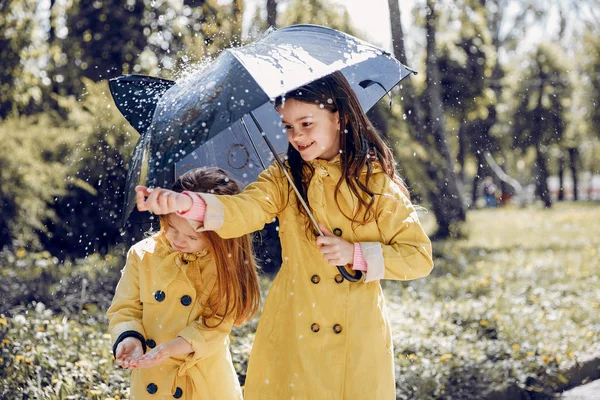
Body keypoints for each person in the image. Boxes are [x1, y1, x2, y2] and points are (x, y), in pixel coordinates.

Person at [135, 71, 434, 399]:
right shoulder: (284, 178)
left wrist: (356, 254)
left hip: (356, 334)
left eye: (307, 124)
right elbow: (245, 209)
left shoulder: (375, 183)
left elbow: (418, 257)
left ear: (339, 117)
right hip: (294, 326)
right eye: (288, 126)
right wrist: (187, 204)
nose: (297, 136)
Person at [107, 167, 260, 400]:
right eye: (172, 227)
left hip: (204, 384)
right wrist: (129, 337)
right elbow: (124, 309)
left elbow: (215, 326)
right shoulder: (142, 255)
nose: (178, 240)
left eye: (192, 237)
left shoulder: (223, 266)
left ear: (217, 235)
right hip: (153, 378)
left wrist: (169, 349)